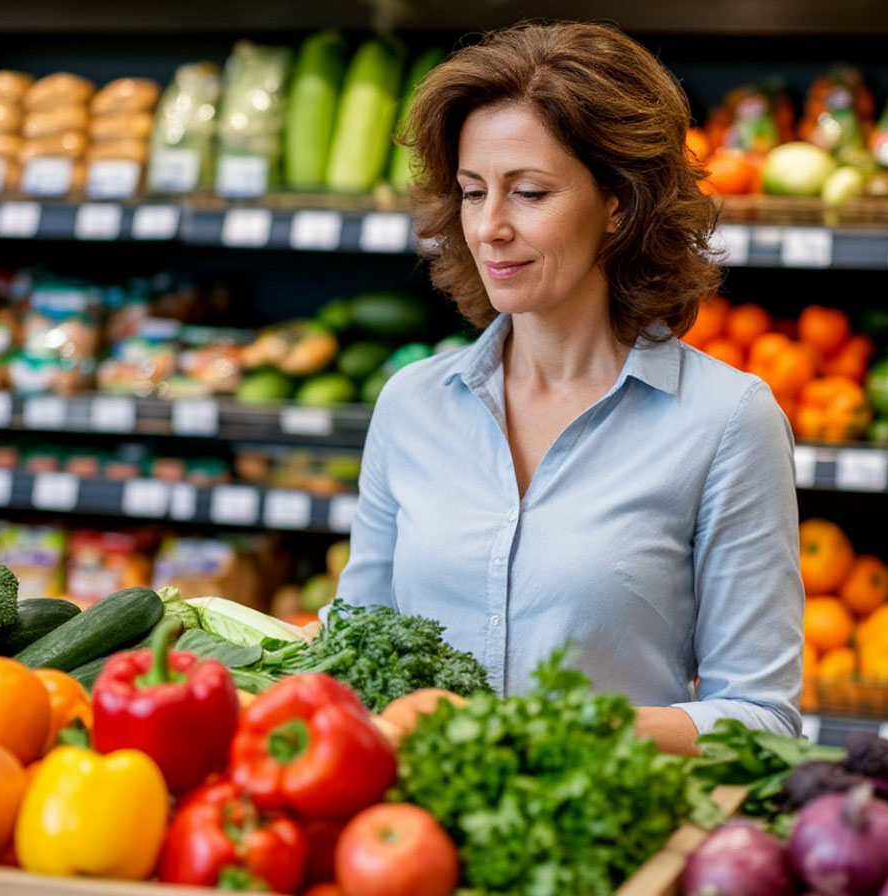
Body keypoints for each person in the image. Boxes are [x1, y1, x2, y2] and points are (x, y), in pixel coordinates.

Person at [336, 21, 804, 753]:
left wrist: (540, 735)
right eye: (470, 191)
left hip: (604, 844)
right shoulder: (411, 405)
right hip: (406, 837)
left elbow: (761, 718)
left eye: (528, 192)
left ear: (618, 203)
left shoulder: (726, 421)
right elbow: (348, 656)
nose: (488, 227)